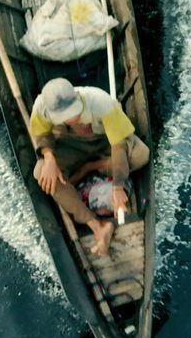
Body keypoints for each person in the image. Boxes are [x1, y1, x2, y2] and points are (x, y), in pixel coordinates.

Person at [30, 78, 149, 256]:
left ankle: (94, 166)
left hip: (104, 142)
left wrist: (118, 186)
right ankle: (97, 225)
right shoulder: (41, 107)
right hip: (71, 145)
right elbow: (42, 135)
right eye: (63, 117)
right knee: (41, 172)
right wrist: (48, 157)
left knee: (141, 155)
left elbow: (118, 146)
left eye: (73, 113)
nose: (70, 119)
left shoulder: (101, 102)